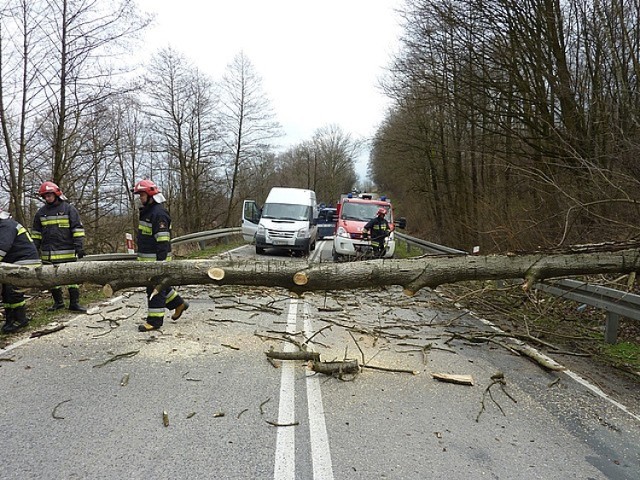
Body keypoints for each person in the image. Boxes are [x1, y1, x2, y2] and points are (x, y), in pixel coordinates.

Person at [131, 179, 188, 332]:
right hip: (148, 260)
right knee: (160, 286)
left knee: (154, 290)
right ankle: (178, 304)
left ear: (150, 196)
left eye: (141, 195)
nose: (140, 198)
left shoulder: (158, 214)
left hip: (157, 260)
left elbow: (163, 240)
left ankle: (154, 321)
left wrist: (160, 263)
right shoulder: (148, 212)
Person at [32, 181, 87, 312]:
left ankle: (74, 303)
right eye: (45, 196)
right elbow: (36, 233)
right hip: (48, 252)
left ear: (56, 194)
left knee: (71, 278)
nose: (47, 198)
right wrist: (34, 250)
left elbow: (77, 229)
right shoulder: (41, 212)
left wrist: (79, 246)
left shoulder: (68, 209)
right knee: (51, 279)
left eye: (49, 195)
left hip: (67, 251)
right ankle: (58, 303)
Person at [0, 208, 42, 333]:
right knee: (7, 292)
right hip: (16, 262)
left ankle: (20, 319)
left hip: (24, 262)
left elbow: (2, 247)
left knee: (12, 291)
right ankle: (11, 319)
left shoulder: (6, 226)